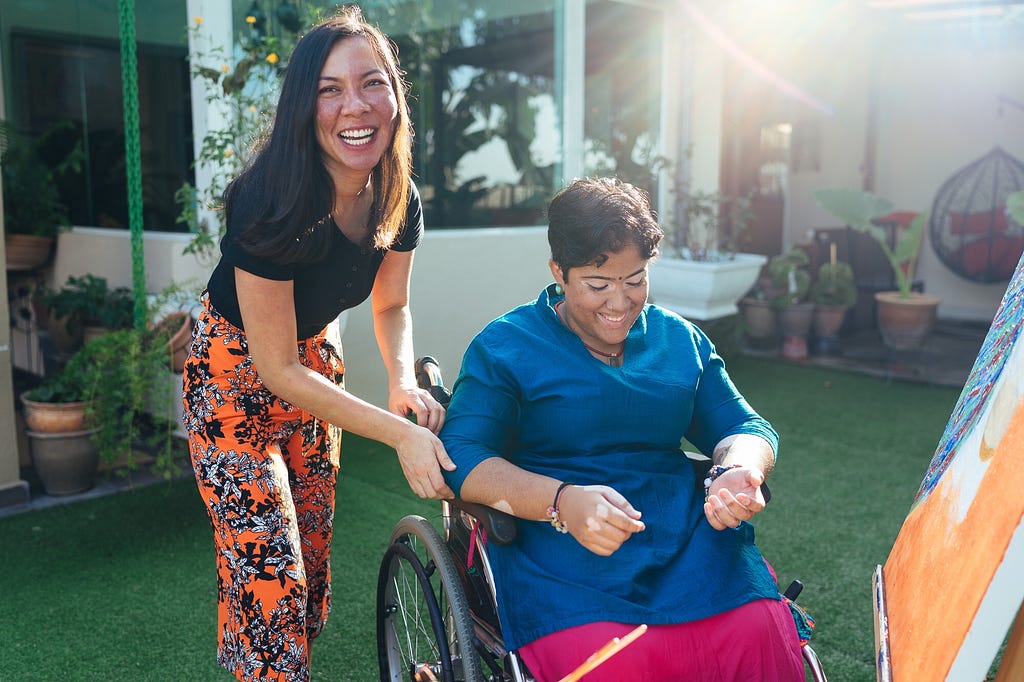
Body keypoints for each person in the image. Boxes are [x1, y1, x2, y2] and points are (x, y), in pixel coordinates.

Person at [180, 8, 454, 681]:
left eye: (371, 83)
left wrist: (400, 381)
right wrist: (397, 432)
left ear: (395, 95)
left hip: (315, 364)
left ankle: (261, 661)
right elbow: (271, 366)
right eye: (329, 89)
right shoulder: (271, 200)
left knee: (305, 565)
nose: (353, 106)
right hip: (231, 376)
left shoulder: (396, 195)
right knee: (269, 571)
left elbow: (391, 303)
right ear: (304, 105)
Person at [439, 177, 804, 681]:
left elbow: (743, 424)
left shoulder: (678, 340)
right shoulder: (506, 347)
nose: (619, 303)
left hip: (680, 534)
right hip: (556, 542)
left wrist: (738, 468)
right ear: (558, 273)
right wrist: (562, 500)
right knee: (616, 660)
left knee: (755, 628)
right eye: (597, 284)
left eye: (635, 280)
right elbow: (463, 454)